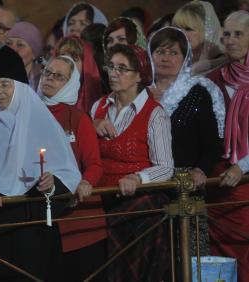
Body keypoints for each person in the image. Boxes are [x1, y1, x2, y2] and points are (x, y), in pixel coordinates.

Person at [0, 46, 81, 281]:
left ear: (19, 87)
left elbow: (67, 172)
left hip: (33, 226)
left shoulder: (41, 121)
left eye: (5, 84)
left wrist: (52, 183)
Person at [91, 44, 174, 281]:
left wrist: (138, 178)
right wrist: (91, 125)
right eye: (112, 67)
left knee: (141, 209)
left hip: (133, 196)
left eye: (122, 69)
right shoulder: (99, 107)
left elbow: (166, 167)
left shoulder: (155, 113)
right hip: (99, 192)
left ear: (139, 76)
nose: (114, 73)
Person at [148, 27, 225, 262]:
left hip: (185, 183)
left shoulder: (197, 92)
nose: (165, 58)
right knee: (154, 257)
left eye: (173, 53)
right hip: (149, 184)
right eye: (160, 51)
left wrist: (201, 169)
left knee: (189, 255)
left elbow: (213, 143)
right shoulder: (139, 91)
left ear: (185, 58)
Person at [39, 55, 105, 281]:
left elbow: (95, 164)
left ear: (70, 84)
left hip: (80, 220)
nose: (49, 79)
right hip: (43, 218)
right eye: (47, 72)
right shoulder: (30, 114)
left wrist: (85, 182)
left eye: (59, 77)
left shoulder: (77, 118)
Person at [206, 10, 249, 282]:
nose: (230, 40)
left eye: (238, 34)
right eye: (226, 34)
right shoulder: (213, 79)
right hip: (219, 182)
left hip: (243, 180)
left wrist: (242, 167)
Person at [172, 0, 228, 75]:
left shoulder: (228, 68)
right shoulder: (175, 64)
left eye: (188, 29)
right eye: (178, 29)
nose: (182, 34)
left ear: (207, 31)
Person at [55, 35, 104, 113]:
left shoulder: (100, 104)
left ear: (85, 64)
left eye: (75, 58)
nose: (68, 63)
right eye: (63, 58)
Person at [6, 21, 43, 90]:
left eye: (20, 45)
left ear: (34, 54)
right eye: (9, 44)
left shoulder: (44, 84)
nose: (12, 50)